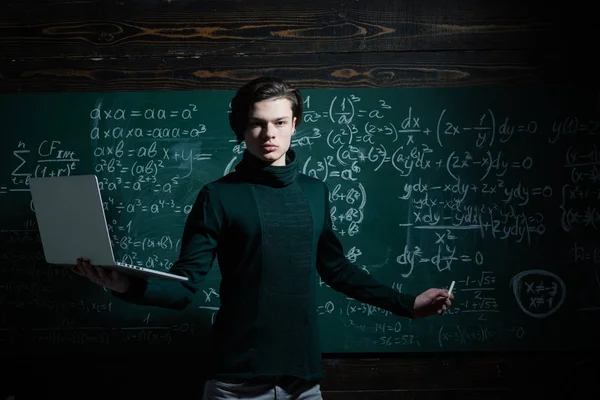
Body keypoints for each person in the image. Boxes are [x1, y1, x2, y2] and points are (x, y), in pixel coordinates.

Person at [73, 76, 454, 400]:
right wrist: (123, 284)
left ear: (295, 123)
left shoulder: (314, 192)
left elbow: (337, 269)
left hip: (303, 381)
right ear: (241, 128)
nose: (268, 134)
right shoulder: (219, 196)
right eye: (257, 124)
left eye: (279, 122)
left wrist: (407, 303)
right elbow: (185, 286)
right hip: (235, 382)